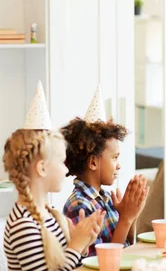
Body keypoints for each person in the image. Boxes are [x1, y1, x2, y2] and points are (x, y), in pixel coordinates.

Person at [3, 82, 104, 271]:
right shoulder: (23, 225)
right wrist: (76, 245)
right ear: (42, 168)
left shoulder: (49, 214)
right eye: (61, 162)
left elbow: (60, 264)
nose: (66, 170)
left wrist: (81, 243)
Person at [62, 85, 148, 257]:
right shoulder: (80, 206)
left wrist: (131, 216)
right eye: (115, 157)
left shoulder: (106, 198)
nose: (119, 165)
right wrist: (125, 219)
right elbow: (102, 262)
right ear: (93, 162)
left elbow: (125, 246)